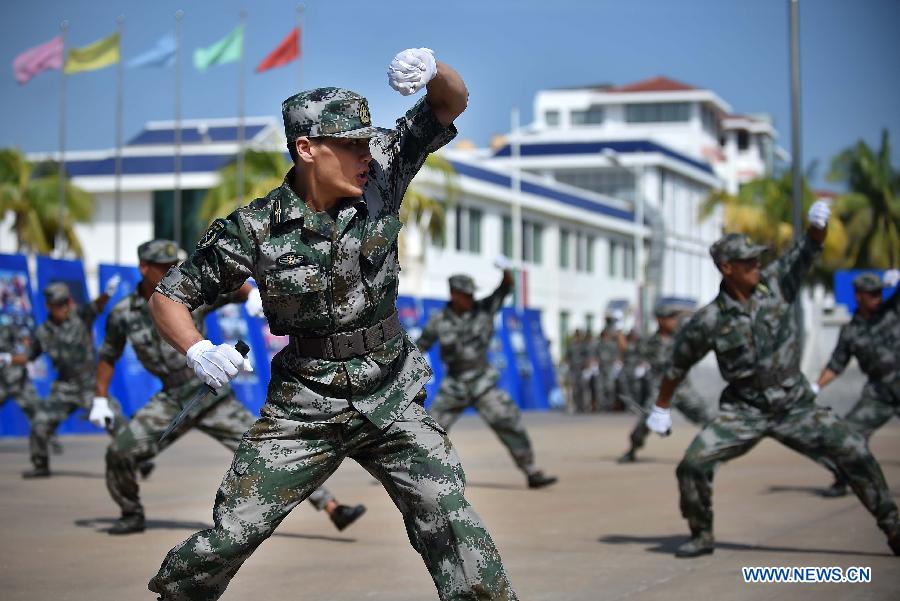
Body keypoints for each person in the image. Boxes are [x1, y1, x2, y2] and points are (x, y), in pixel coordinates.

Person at [146, 48, 518, 600]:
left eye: (368, 142)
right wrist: (196, 348)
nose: (365, 155)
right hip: (305, 403)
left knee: (452, 522)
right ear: (307, 149)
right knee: (230, 536)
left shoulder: (383, 170)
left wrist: (434, 68)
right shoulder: (253, 228)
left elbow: (450, 101)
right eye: (350, 146)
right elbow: (169, 296)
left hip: (389, 393)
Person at [644, 200, 900, 558]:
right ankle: (701, 535)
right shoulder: (708, 321)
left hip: (795, 404)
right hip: (744, 410)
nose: (757, 265)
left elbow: (808, 247)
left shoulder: (778, 284)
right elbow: (677, 366)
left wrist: (817, 225)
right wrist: (661, 407)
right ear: (726, 268)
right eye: (748, 262)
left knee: (855, 450)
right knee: (693, 464)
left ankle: (893, 528)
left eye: (757, 259)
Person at [97, 240, 365, 535]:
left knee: (270, 451)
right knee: (121, 451)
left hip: (211, 395)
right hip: (172, 399)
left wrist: (252, 296)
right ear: (143, 268)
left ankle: (333, 508)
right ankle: (131, 513)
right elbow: (108, 356)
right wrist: (99, 398)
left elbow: (228, 289)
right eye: (161, 266)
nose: (169, 270)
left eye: (172, 265)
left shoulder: (185, 293)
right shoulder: (122, 313)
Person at [416, 265, 557, 489]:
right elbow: (421, 346)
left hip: (483, 381)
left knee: (507, 419)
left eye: (473, 294)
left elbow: (503, 290)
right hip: (455, 383)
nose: (472, 299)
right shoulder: (438, 319)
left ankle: (531, 471)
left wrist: (508, 277)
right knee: (430, 429)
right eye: (467, 295)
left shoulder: (484, 309)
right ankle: (417, 475)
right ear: (454, 294)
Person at [18, 278, 121, 478]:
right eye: (60, 304)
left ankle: (138, 460)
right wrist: (7, 358)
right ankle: (40, 465)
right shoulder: (43, 332)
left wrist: (107, 293)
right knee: (40, 422)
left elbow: (96, 306)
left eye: (67, 302)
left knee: (115, 420)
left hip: (91, 384)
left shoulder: (80, 316)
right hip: (65, 386)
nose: (65, 307)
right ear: (49, 306)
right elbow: (29, 356)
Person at [812, 269, 900, 498]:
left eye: (879, 293)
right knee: (847, 436)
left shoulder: (893, 310)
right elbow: (836, 365)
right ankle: (843, 480)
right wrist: (815, 387)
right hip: (878, 393)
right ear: (858, 295)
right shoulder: (851, 331)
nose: (877, 297)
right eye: (871, 294)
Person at [618, 301, 713, 463]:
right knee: (645, 422)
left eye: (675, 318)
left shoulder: (683, 338)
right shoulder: (649, 342)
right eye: (670, 318)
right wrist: (620, 337)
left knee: (707, 417)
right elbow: (629, 353)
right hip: (660, 391)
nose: (674, 321)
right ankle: (633, 449)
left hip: (683, 388)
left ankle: (714, 450)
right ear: (661, 320)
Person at [0, 318, 45, 465]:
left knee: (37, 414)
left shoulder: (8, 324)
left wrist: (9, 358)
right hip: (3, 382)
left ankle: (46, 446)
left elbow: (26, 347)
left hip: (19, 379)